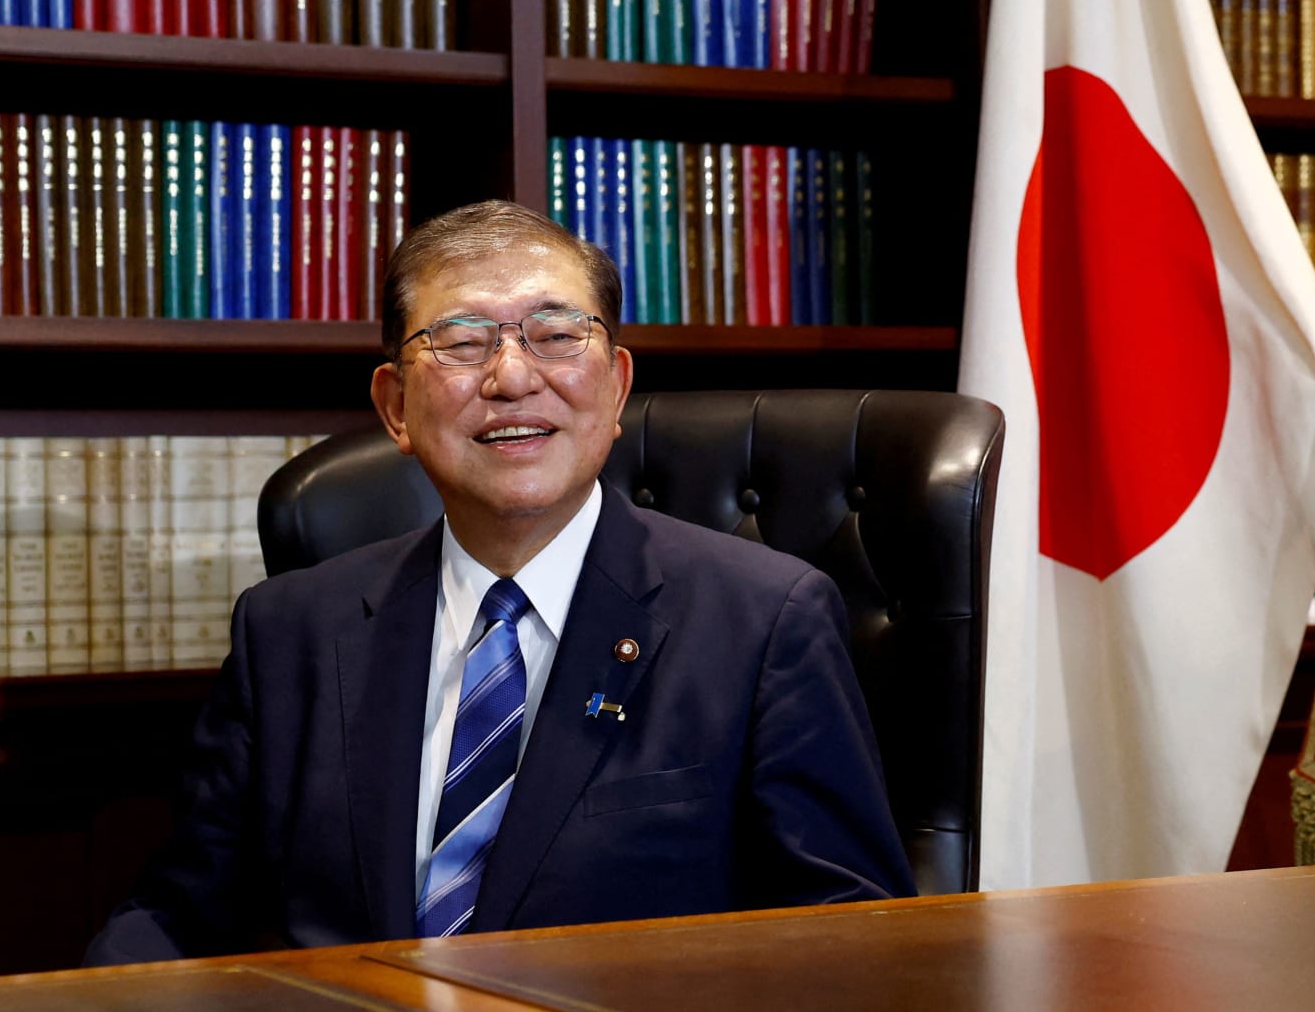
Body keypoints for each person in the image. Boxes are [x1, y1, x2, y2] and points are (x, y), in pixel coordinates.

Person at [86, 201, 913, 964]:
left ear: (616, 386)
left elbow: (850, 940)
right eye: (461, 341)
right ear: (395, 407)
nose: (512, 377)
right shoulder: (289, 629)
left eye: (556, 335)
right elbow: (176, 915)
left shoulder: (763, 621)